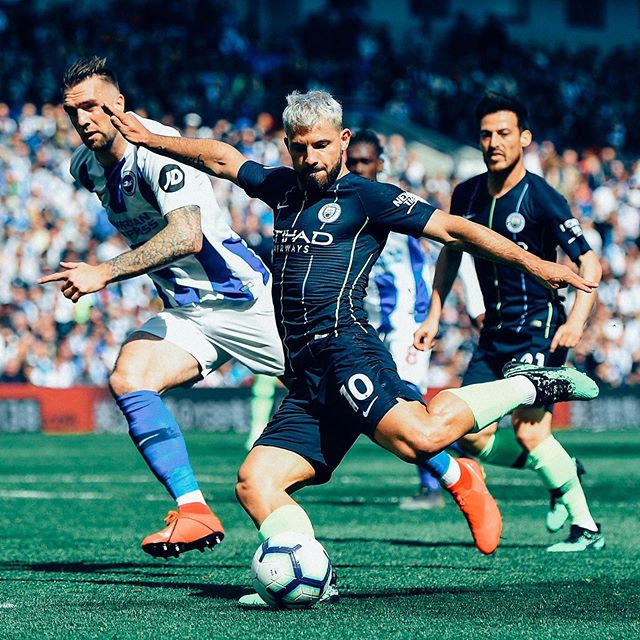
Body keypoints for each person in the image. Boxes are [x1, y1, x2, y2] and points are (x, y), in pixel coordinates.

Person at [104, 90, 598, 605]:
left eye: (321, 146)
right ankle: (313, 578)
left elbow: (453, 230)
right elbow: (222, 159)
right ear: (289, 146)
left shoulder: (367, 198)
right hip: (306, 372)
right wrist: (152, 139)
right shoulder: (284, 189)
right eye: (300, 148)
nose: (311, 158)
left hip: (347, 351)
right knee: (255, 481)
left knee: (423, 438)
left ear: (342, 141)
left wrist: (536, 264)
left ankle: (527, 386)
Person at [39, 56, 286, 559]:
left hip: (243, 301)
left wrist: (103, 272)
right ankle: (194, 510)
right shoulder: (85, 167)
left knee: (352, 398)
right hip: (189, 314)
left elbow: (187, 235)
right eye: (73, 111)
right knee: (129, 376)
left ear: (118, 104)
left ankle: (448, 471)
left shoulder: (157, 148)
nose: (83, 119)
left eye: (92, 107)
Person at [414, 91, 604, 552]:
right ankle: (560, 471)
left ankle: (586, 528)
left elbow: (589, 261)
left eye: (504, 133)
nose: (494, 142)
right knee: (470, 437)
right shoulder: (466, 194)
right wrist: (434, 314)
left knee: (529, 431)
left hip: (540, 326)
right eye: (486, 134)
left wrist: (576, 322)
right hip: (494, 332)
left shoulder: (541, 196)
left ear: (524, 138)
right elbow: (450, 254)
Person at [347, 129, 485, 510]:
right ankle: (465, 456)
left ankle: (434, 485)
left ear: (380, 164)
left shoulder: (397, 205)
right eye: (352, 162)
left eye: (364, 161)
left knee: (405, 398)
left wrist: (474, 306)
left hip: (409, 321)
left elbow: (455, 244)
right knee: (378, 408)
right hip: (368, 325)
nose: (357, 168)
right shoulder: (340, 208)